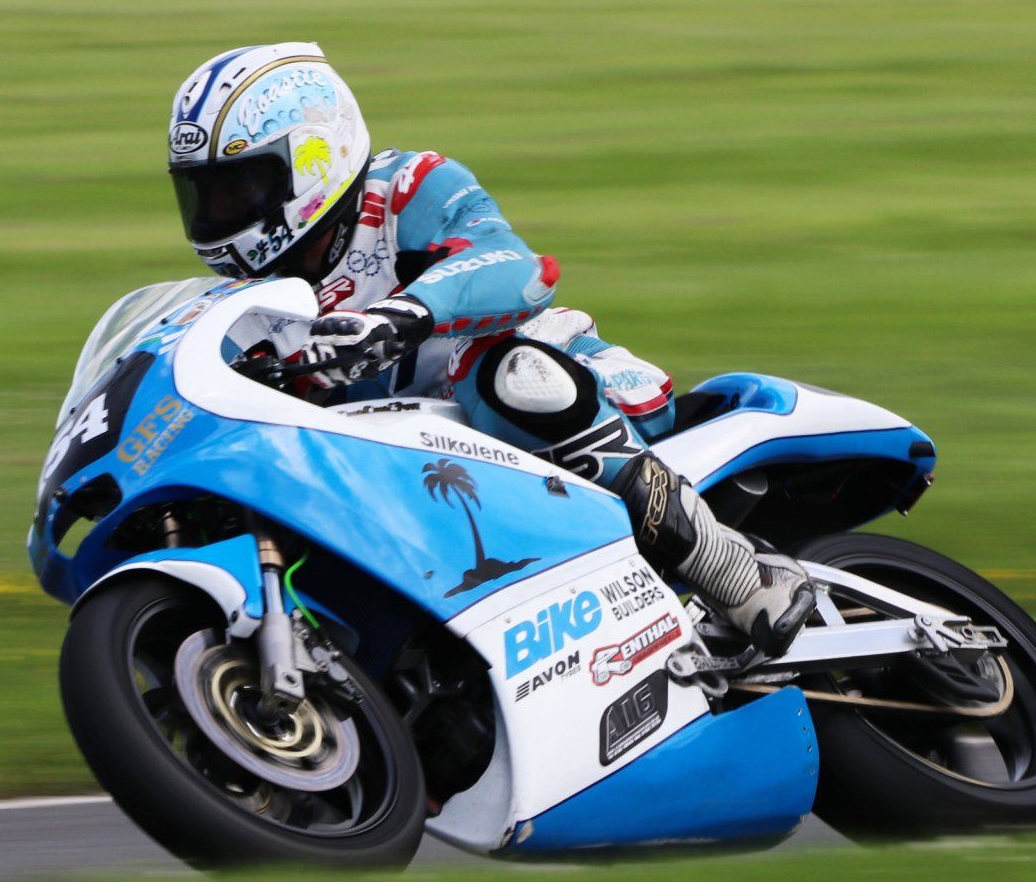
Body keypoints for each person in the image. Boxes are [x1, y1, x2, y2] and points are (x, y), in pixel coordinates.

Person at [166, 41, 814, 655]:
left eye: (238, 188)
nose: (220, 213)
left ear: (310, 161)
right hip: (425, 483)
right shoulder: (252, 303)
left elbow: (516, 267)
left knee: (511, 375)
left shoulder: (407, 189)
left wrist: (405, 315)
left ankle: (739, 576)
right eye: (204, 194)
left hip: (569, 387)